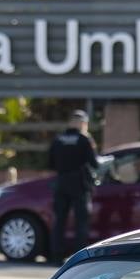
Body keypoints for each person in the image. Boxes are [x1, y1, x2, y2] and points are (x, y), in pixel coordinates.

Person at [49, 109, 99, 264]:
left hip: (61, 183)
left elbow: (50, 163)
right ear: (82, 124)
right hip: (79, 184)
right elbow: (94, 163)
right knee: (81, 222)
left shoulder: (57, 139)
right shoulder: (84, 139)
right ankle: (79, 258)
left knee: (60, 221)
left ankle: (56, 255)